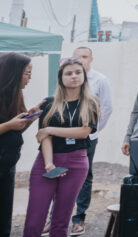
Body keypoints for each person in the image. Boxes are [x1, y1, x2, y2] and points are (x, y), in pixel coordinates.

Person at [22, 57, 99, 237]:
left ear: (84, 76)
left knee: (61, 219)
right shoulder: (49, 103)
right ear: (61, 77)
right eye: (69, 73)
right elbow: (44, 138)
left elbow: (84, 132)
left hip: (77, 162)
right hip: (46, 161)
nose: (74, 76)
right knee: (35, 217)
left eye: (78, 72)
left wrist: (50, 129)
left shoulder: (91, 102)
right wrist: (49, 164)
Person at [69, 46, 112, 236]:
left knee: (84, 176)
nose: (81, 60)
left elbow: (108, 107)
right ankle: (55, 217)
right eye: (78, 57)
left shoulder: (100, 80)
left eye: (85, 57)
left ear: (91, 59)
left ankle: (79, 219)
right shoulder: (67, 77)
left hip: (87, 137)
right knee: (60, 175)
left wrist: (93, 131)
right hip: (65, 136)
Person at [0, 53, 38, 237]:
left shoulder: (15, 95)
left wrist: (29, 119)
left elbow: (13, 132)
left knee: (4, 215)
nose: (30, 79)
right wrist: (9, 125)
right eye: (27, 74)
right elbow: (7, 128)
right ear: (13, 73)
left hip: (6, 166)